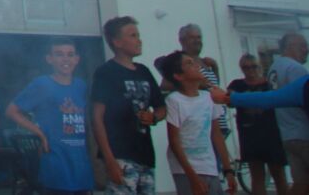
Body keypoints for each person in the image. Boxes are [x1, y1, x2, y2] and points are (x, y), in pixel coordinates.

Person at [6, 37, 95, 195]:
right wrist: (40, 134)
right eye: (59, 54)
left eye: (70, 54)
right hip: (56, 162)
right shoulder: (42, 84)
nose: (65, 59)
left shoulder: (81, 86)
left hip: (81, 165)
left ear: (77, 59)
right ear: (49, 59)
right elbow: (12, 111)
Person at [90, 15, 167, 195]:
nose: (139, 40)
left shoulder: (144, 71)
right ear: (117, 42)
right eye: (132, 35)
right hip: (120, 156)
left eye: (138, 35)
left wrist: (154, 117)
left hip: (146, 156)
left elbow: (161, 108)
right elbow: (97, 117)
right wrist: (109, 160)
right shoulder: (106, 72)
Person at [157, 51, 235, 195]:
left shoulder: (209, 98)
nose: (197, 65)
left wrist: (228, 169)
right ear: (178, 76)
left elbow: (216, 134)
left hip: (210, 166)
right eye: (189, 63)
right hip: (185, 170)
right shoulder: (175, 101)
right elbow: (174, 142)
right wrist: (192, 178)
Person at [228, 53, 290, 195]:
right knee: (257, 176)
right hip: (250, 135)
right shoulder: (237, 85)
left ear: (260, 67)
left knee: (279, 175)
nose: (250, 70)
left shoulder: (269, 84)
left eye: (254, 66)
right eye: (246, 67)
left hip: (272, 134)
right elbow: (228, 100)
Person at [270, 34, 309, 195]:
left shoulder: (274, 67)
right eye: (303, 46)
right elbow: (304, 99)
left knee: (301, 182)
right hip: (304, 134)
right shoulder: (295, 68)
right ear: (290, 47)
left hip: (287, 134)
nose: (306, 50)